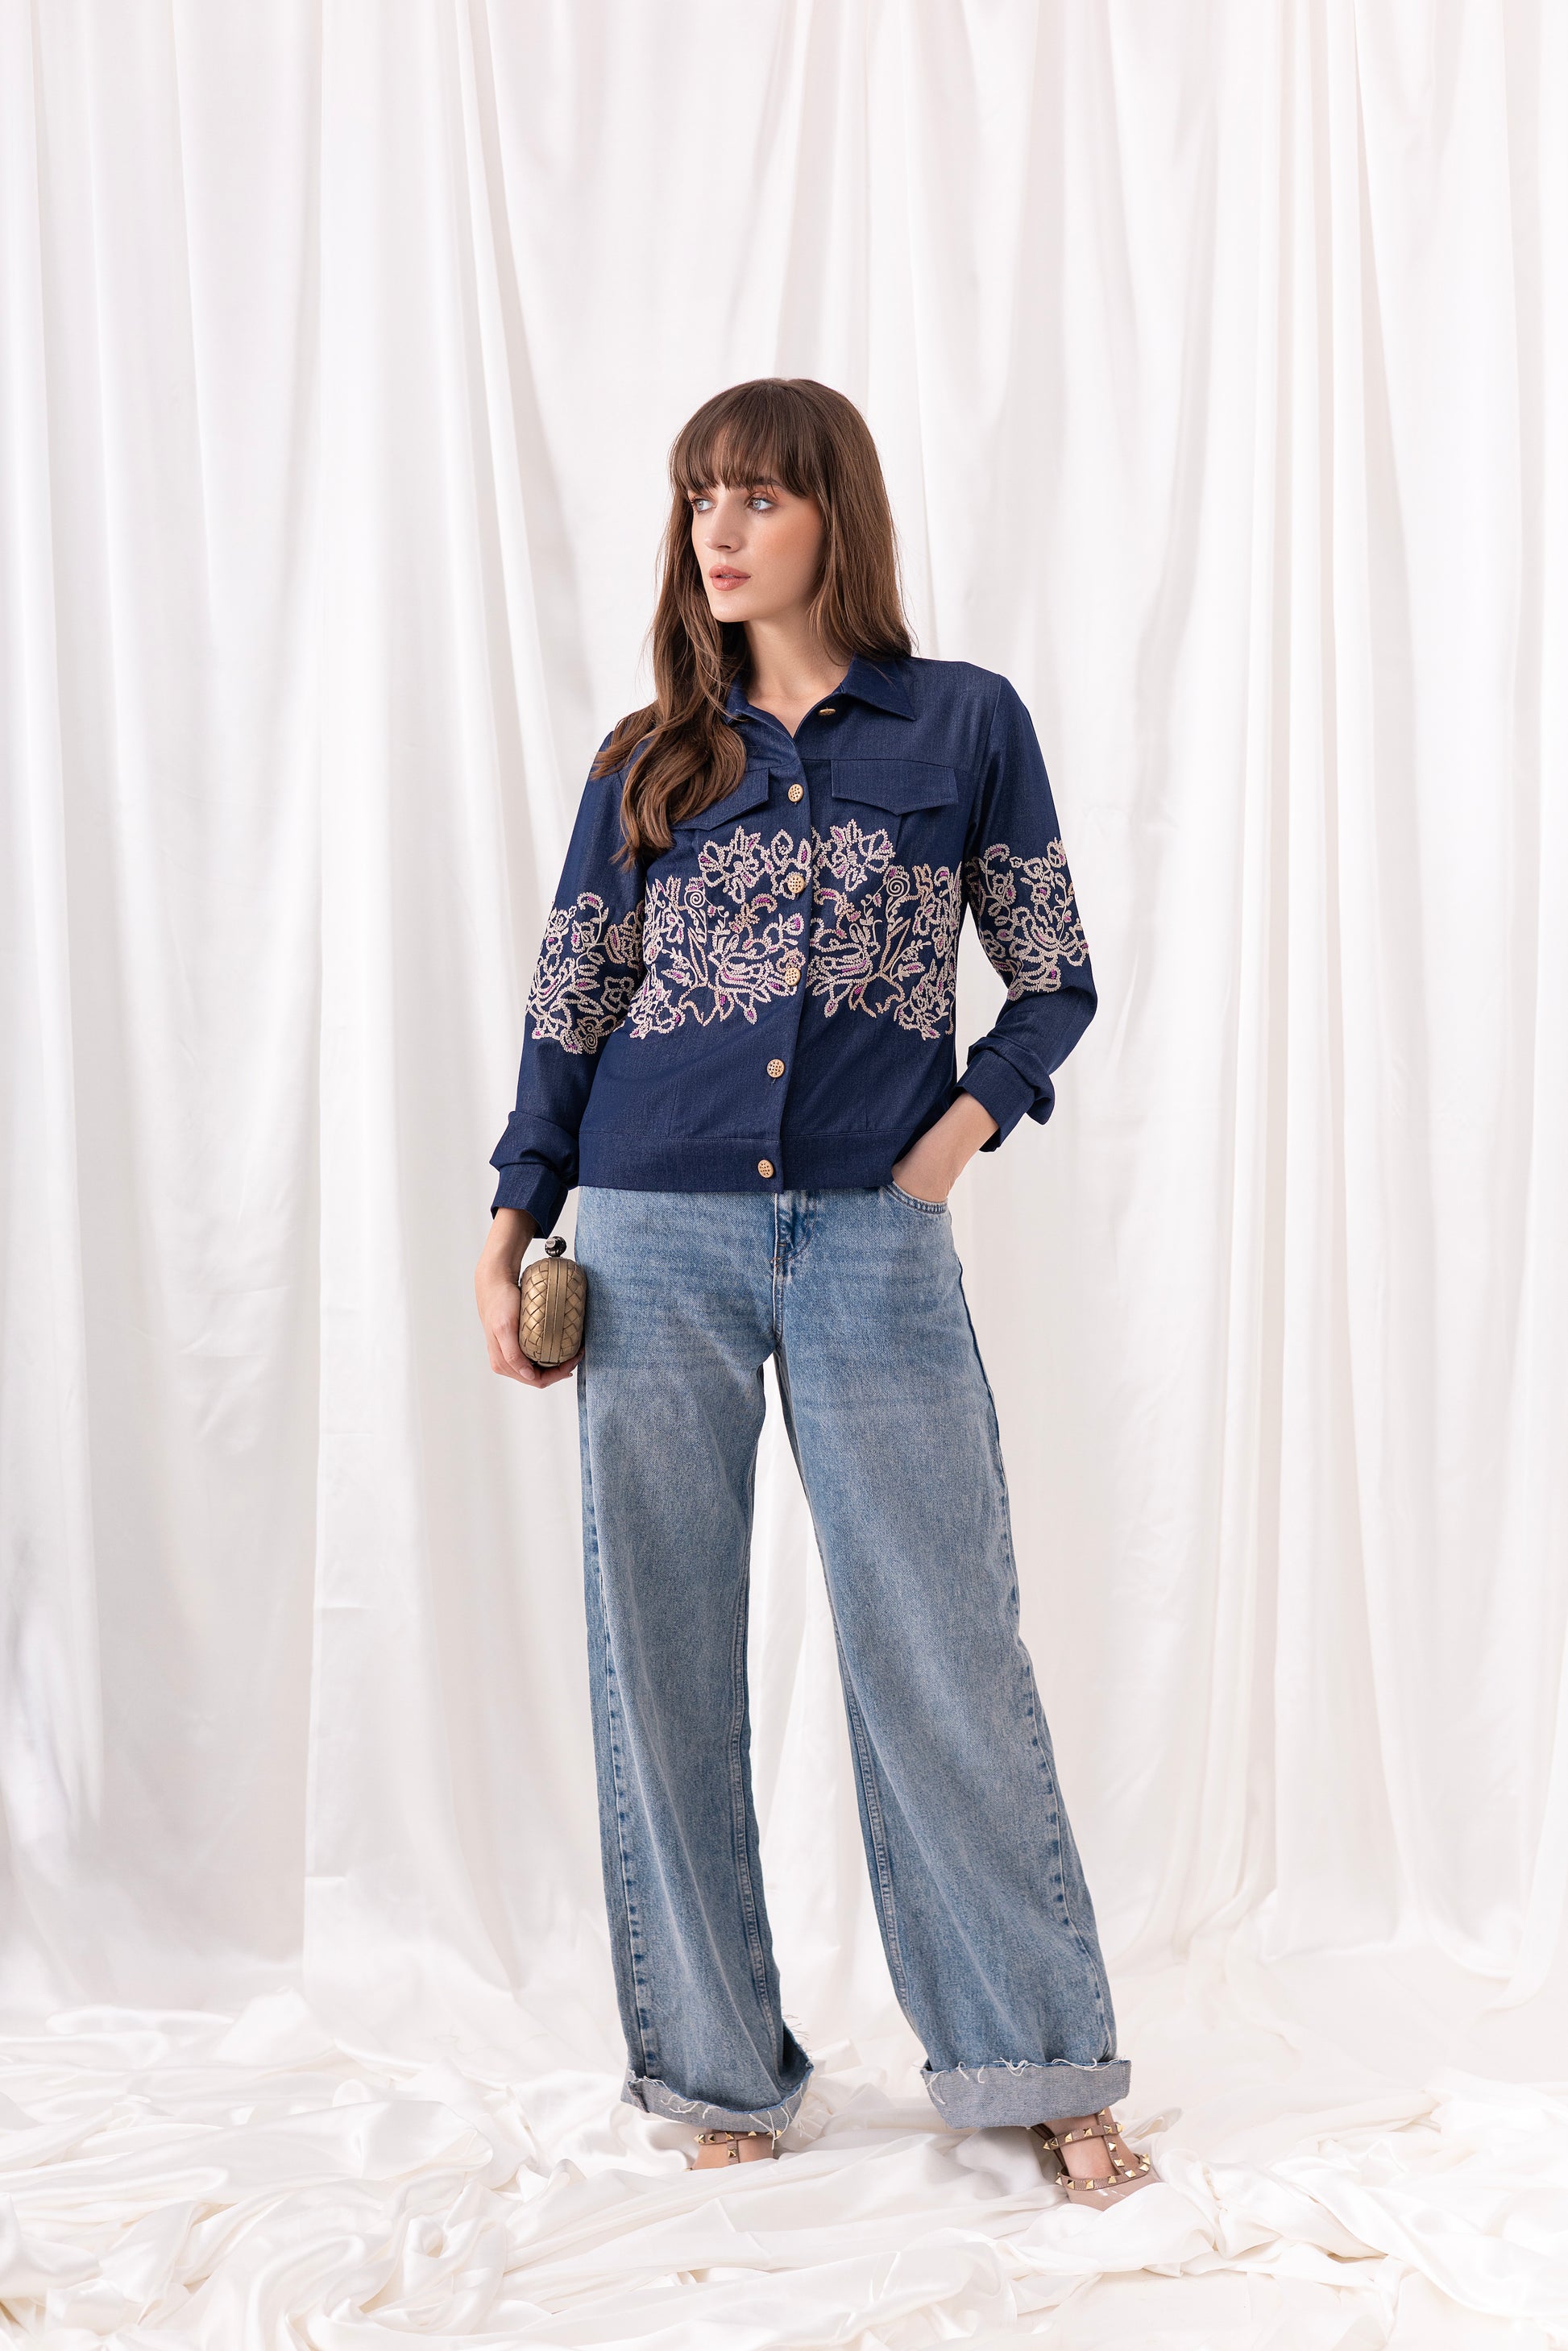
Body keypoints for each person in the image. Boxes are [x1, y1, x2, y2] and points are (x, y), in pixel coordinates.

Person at [474, 377, 1155, 2204]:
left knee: (942, 1639)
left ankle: (1037, 2059)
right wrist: (510, 1223)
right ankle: (715, 2069)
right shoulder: (647, 756)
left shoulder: (962, 721)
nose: (717, 527)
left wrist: (953, 1139)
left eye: (758, 496)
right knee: (662, 1653)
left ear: (833, 515)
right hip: (648, 1235)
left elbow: (1052, 975)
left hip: (869, 1232)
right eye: (699, 494)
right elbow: (571, 995)